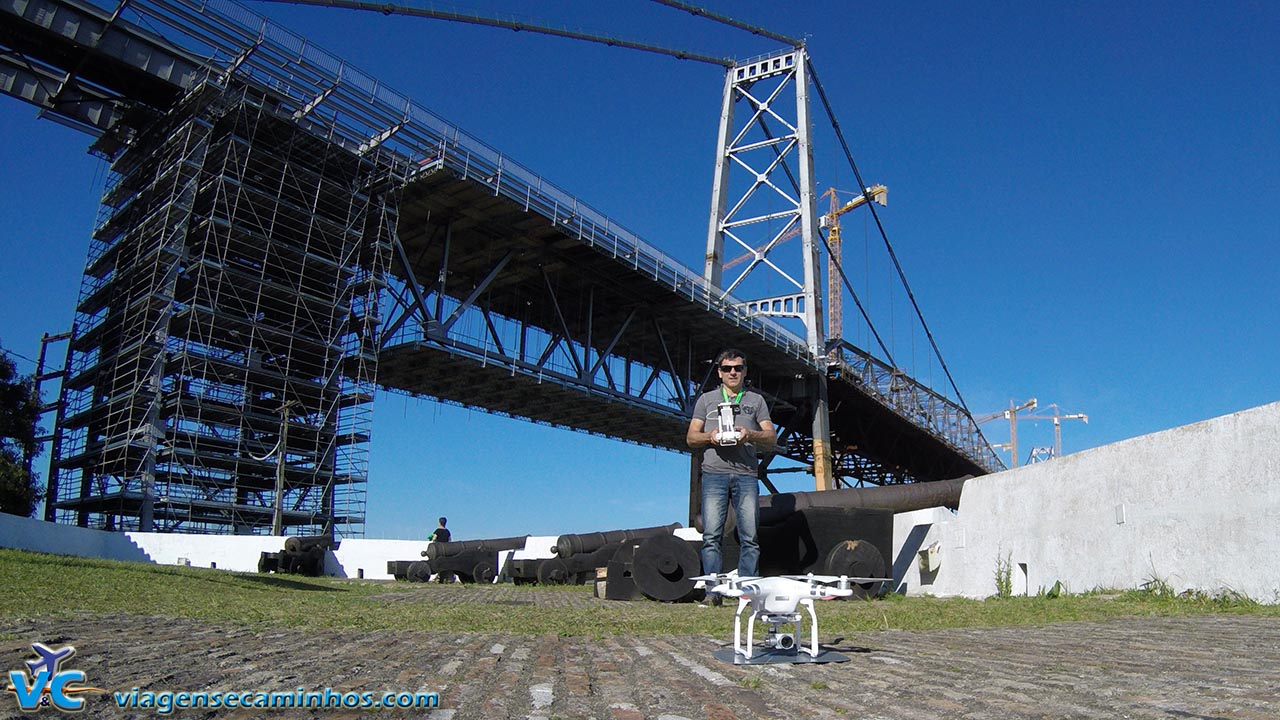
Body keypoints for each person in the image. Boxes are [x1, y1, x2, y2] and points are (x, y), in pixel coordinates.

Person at [686, 349, 776, 602]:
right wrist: (709, 437)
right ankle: (713, 592)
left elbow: (771, 436)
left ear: (745, 371)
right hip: (714, 474)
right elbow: (691, 437)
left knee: (750, 536)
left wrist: (751, 434)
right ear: (719, 372)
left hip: (746, 474)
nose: (732, 372)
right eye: (727, 369)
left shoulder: (756, 401)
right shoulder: (706, 400)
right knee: (711, 535)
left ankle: (747, 593)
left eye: (737, 368)